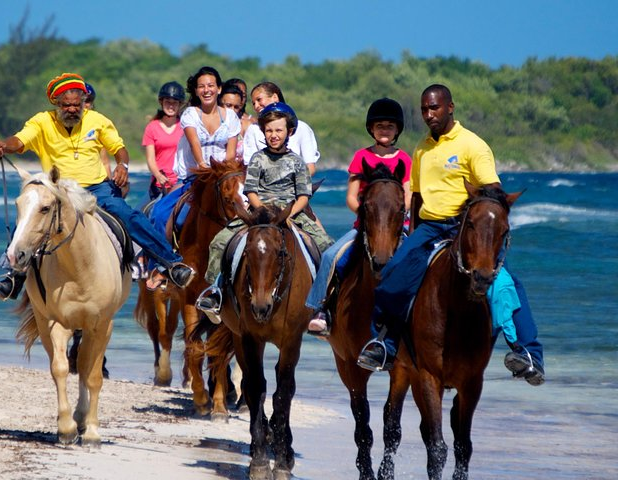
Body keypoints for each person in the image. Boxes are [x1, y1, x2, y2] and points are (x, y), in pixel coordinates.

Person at [356, 84, 545, 386]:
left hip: (464, 228)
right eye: (424, 109)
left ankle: (529, 354)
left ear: (450, 107)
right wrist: (412, 238)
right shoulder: (421, 148)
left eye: (435, 108)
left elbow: (491, 193)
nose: (429, 114)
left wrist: (480, 227)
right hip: (429, 227)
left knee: (507, 282)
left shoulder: (473, 145)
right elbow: (415, 197)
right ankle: (383, 345)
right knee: (393, 274)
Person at [0, 72, 195, 300]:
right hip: (58, 190)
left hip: (96, 189)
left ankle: (172, 264)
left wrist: (123, 165)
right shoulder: (41, 121)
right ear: (57, 103)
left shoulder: (98, 121)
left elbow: (119, 148)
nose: (72, 109)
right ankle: (13, 275)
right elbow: (20, 140)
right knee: (31, 214)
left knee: (130, 215)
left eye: (77, 105)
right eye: (66, 105)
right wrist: (3, 146)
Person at [196, 102, 333, 319]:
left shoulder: (297, 162)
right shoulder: (258, 159)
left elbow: (304, 196)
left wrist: (287, 215)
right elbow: (250, 191)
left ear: (290, 132)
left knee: (326, 246)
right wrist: (262, 211)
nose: (273, 135)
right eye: (269, 130)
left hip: (290, 213)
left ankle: (324, 302)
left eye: (278, 130)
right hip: (259, 212)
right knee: (219, 242)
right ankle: (215, 290)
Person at [305, 98, 412, 337]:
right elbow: (352, 198)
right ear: (371, 129)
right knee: (332, 256)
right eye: (379, 125)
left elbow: (408, 198)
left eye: (390, 126)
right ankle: (319, 308)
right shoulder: (361, 157)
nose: (384, 130)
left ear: (397, 130)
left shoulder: (404, 159)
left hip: (397, 226)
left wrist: (391, 218)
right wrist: (370, 218)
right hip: (365, 225)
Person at [149, 66, 241, 269]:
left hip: (224, 178)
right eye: (201, 86)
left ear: (219, 89)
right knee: (160, 213)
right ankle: (160, 266)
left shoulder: (231, 117)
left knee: (248, 214)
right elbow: (194, 145)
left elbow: (231, 154)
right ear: (197, 91)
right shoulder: (190, 114)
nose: (206, 90)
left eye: (210, 85)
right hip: (195, 179)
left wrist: (222, 175)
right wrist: (202, 167)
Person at [242, 82, 320, 175]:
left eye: (259, 100)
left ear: (275, 97)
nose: (256, 106)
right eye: (253, 103)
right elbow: (250, 169)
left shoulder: (302, 128)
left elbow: (310, 168)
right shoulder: (253, 130)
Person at [84, 82, 129, 198]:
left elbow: (105, 162)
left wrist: (107, 185)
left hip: (97, 185)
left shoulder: (98, 125)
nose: (85, 105)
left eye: (88, 101)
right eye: (81, 101)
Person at [142, 81, 185, 199]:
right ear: (161, 102)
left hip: (181, 182)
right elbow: (150, 158)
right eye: (167, 102)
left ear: (180, 104)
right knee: (138, 214)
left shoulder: (186, 127)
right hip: (159, 184)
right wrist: (158, 175)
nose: (171, 106)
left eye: (174, 103)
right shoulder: (152, 127)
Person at [218, 83, 249, 163]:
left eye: (236, 107)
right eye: (228, 105)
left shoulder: (245, 125)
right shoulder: (211, 125)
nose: (232, 110)